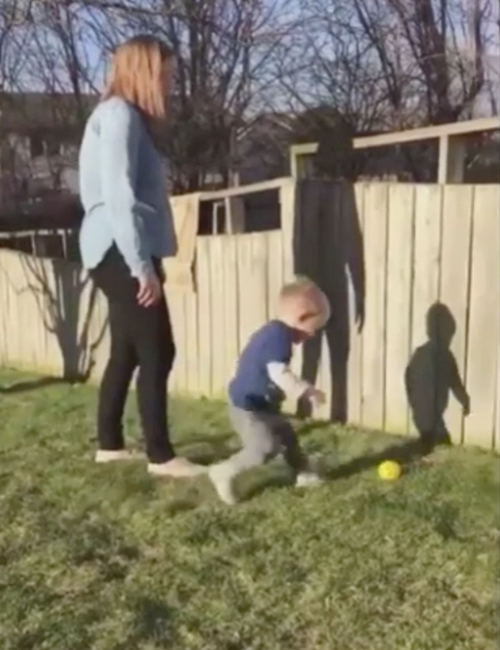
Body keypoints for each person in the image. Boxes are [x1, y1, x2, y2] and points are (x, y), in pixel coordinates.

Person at [78, 35, 204, 478]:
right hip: (118, 248)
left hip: (111, 248)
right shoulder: (118, 116)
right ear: (144, 73)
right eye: (165, 74)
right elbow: (119, 197)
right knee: (158, 350)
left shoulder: (120, 117)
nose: (170, 83)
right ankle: (161, 456)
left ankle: (110, 445)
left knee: (128, 352)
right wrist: (140, 267)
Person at [208, 277, 331, 504]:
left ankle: (304, 473)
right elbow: (279, 373)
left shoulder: (274, 333)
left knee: (287, 437)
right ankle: (224, 471)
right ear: (301, 317)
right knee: (264, 448)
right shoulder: (278, 337)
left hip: (263, 404)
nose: (313, 335)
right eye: (313, 329)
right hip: (247, 406)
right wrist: (307, 391)